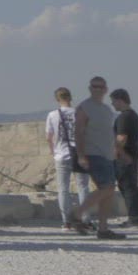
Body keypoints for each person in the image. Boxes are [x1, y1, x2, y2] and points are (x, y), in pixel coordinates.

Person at [68, 76, 125, 240]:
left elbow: (108, 133)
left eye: (100, 87)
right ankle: (77, 213)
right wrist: (81, 155)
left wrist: (117, 151)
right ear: (90, 88)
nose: (98, 89)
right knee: (107, 188)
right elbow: (78, 132)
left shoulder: (107, 109)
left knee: (108, 192)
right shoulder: (84, 108)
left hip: (107, 155)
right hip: (93, 153)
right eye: (95, 86)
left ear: (105, 89)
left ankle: (103, 229)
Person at [44, 86, 91, 230]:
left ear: (57, 99)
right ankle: (85, 220)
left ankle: (67, 221)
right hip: (80, 153)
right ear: (70, 97)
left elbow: (49, 137)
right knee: (83, 187)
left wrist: (54, 152)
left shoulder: (52, 115)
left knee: (63, 189)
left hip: (61, 154)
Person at [111, 89, 138, 228]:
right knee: (131, 187)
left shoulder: (124, 117)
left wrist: (119, 153)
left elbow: (121, 138)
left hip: (126, 156)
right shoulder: (133, 115)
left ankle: (135, 219)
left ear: (120, 100)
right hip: (133, 154)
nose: (113, 104)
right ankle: (136, 218)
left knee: (128, 188)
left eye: (114, 101)